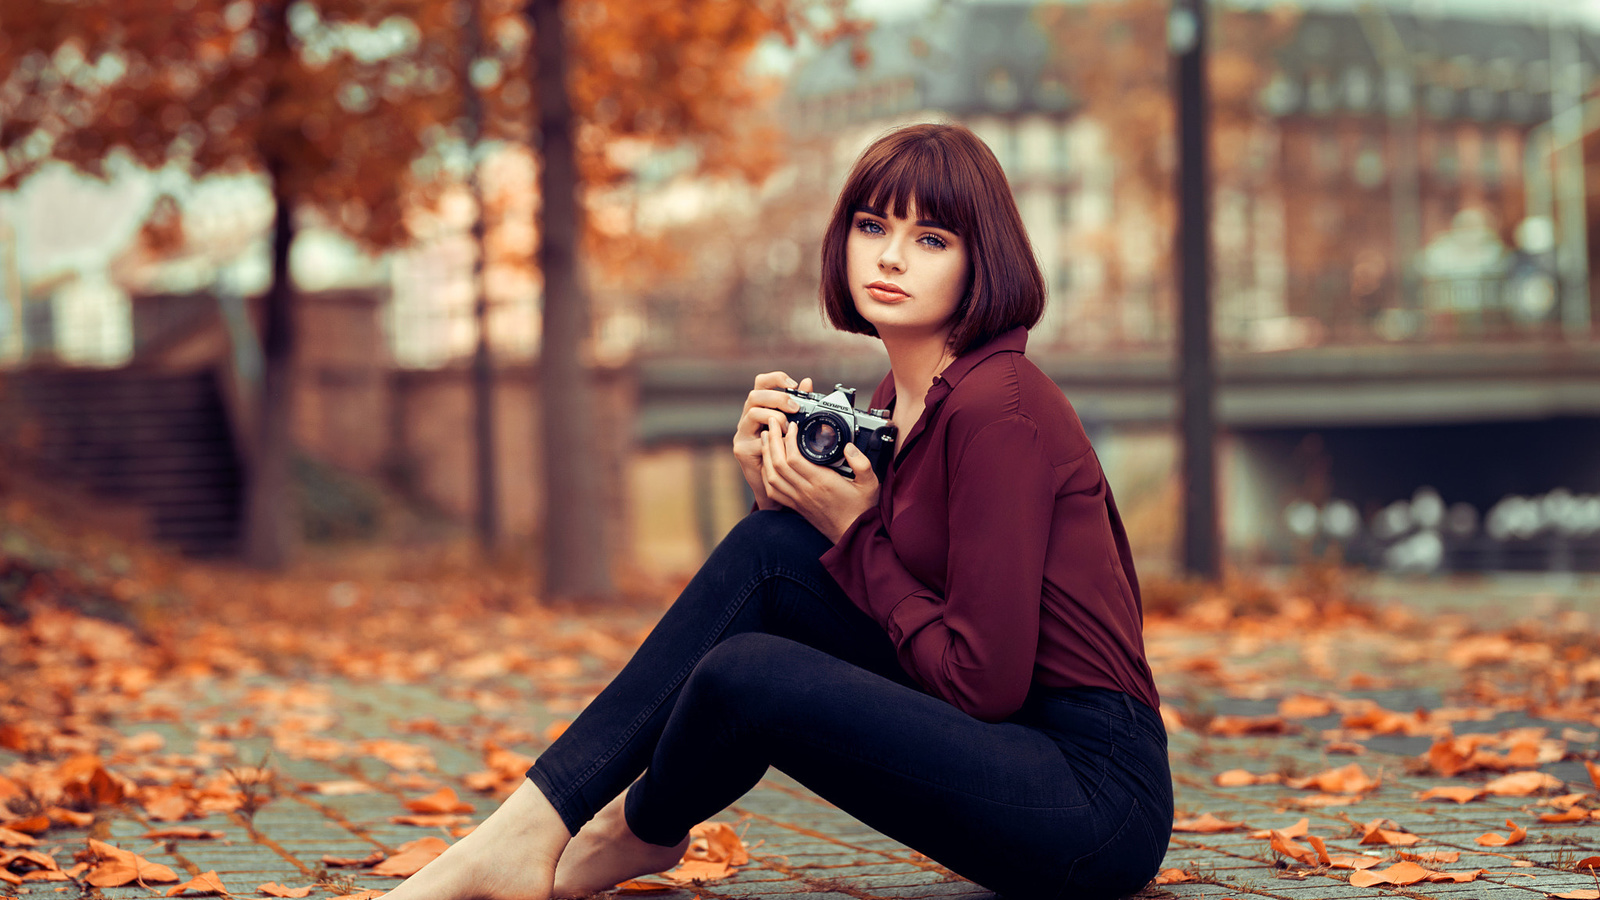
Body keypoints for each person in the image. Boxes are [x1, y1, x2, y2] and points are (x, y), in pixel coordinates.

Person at [381, 122, 1171, 900]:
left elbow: (981, 682)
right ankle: (551, 831)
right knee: (771, 547)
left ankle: (598, 834)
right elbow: (883, 593)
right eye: (872, 226)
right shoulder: (902, 401)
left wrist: (856, 528)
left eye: (931, 238)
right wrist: (780, 484)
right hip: (1012, 741)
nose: (891, 256)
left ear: (980, 261)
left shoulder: (1001, 407)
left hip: (1091, 799)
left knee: (750, 672)